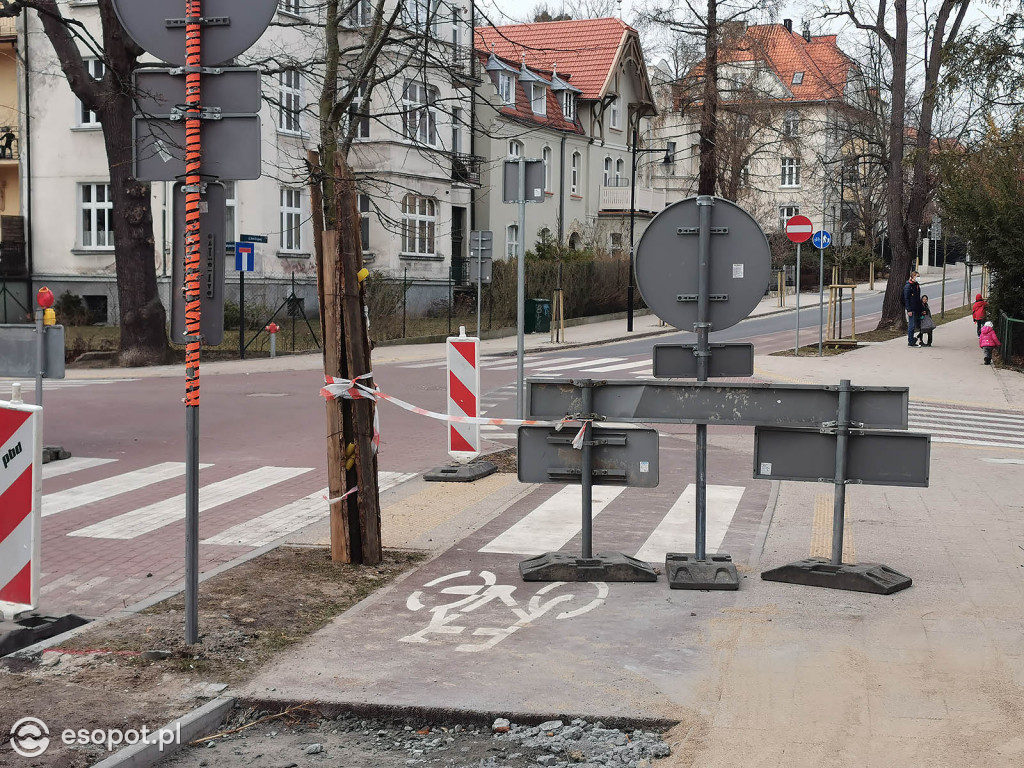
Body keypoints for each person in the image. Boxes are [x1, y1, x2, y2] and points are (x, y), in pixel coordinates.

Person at [903, 271, 923, 347]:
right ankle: (911, 341)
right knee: (911, 326)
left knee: (914, 325)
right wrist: (909, 310)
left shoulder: (916, 285)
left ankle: (913, 339)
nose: (918, 278)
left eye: (919, 276)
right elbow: (906, 298)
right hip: (911, 309)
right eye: (917, 276)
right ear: (913, 277)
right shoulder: (908, 286)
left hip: (916, 308)